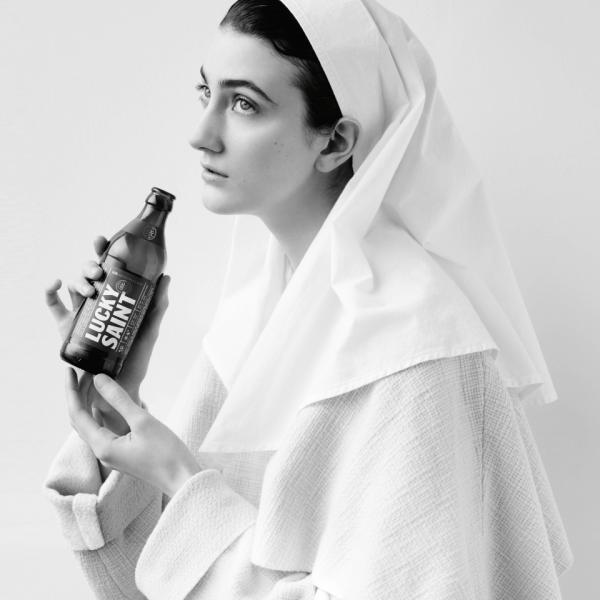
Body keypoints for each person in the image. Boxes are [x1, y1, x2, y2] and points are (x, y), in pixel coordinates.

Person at [43, 0, 575, 598]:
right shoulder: (258, 315)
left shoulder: (412, 344)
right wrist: (117, 405)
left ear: (335, 141)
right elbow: (147, 585)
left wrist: (178, 475)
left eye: (244, 104)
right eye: (207, 92)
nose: (201, 135)